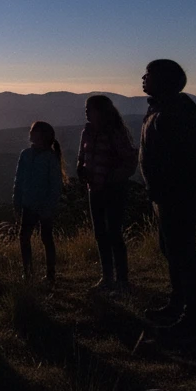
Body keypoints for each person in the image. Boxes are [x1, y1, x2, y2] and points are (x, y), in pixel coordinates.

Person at [139, 59, 196, 338]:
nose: (142, 78)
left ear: (162, 80)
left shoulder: (173, 113)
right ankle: (178, 303)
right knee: (171, 251)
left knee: (183, 255)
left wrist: (185, 190)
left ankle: (193, 316)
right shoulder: (160, 109)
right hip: (164, 196)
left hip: (175, 198)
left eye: (148, 74)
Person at [77, 95, 138, 294]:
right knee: (101, 235)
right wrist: (81, 167)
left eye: (90, 108)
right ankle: (107, 278)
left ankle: (121, 280)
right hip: (93, 189)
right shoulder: (87, 131)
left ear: (101, 111)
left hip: (113, 190)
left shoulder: (115, 132)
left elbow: (129, 161)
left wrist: (113, 178)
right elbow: (82, 155)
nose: (86, 112)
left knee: (113, 234)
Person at [13, 121, 64, 286]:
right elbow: (18, 179)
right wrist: (17, 200)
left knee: (45, 238)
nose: (30, 133)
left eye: (33, 131)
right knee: (26, 238)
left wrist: (48, 206)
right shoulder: (25, 154)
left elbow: (55, 185)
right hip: (28, 204)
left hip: (43, 206)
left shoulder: (50, 158)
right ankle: (28, 272)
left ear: (41, 136)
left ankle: (50, 274)